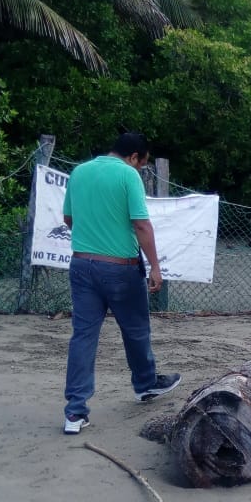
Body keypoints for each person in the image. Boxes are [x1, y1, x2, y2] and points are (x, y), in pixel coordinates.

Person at [61, 132, 181, 435]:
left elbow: (68, 219)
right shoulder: (128, 176)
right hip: (120, 268)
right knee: (136, 329)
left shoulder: (79, 172)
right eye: (142, 163)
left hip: (81, 264)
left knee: (83, 336)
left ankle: (75, 412)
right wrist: (155, 266)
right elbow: (141, 224)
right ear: (134, 157)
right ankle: (145, 384)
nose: (141, 168)